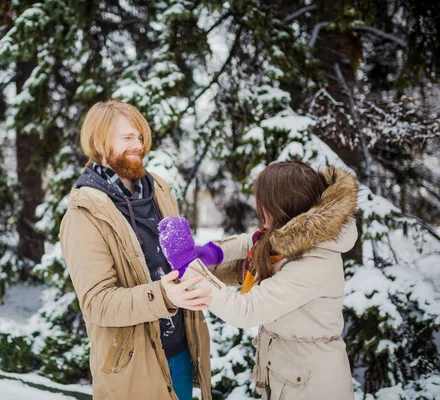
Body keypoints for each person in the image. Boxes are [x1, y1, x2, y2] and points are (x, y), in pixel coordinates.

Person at [158, 161, 359, 400]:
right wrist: (213, 252)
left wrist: (187, 266)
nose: (257, 207)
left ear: (282, 205)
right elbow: (255, 243)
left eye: (263, 202)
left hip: (312, 387)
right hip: (292, 377)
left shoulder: (315, 264)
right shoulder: (297, 235)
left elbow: (245, 311)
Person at [60, 99, 216, 400]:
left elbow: (183, 261)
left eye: (141, 136)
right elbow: (97, 302)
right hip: (132, 370)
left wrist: (230, 254)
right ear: (100, 140)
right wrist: (163, 295)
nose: (139, 144)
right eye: (128, 137)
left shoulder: (159, 191)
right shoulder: (85, 214)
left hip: (180, 353)